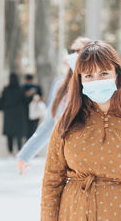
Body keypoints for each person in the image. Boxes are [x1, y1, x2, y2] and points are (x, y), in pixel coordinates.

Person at [41, 41, 121, 220]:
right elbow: (52, 182)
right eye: (89, 75)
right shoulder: (67, 122)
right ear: (80, 79)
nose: (96, 80)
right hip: (74, 214)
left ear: (117, 75)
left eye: (104, 73)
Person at [16, 37, 92, 174]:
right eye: (72, 51)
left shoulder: (96, 86)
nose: (74, 54)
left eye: (79, 50)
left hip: (89, 156)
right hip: (63, 156)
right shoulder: (59, 85)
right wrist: (25, 155)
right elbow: (49, 124)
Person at [0, 73, 28, 156]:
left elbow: (2, 101)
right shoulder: (21, 89)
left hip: (8, 114)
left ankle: (10, 152)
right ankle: (19, 151)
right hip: (19, 114)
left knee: (9, 135)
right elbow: (25, 101)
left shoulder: (6, 89)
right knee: (19, 134)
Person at [22, 74, 43, 140]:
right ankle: (29, 140)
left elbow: (41, 97)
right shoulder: (23, 88)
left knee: (33, 127)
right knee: (28, 128)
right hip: (26, 111)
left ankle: (32, 140)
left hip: (34, 111)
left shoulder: (36, 87)